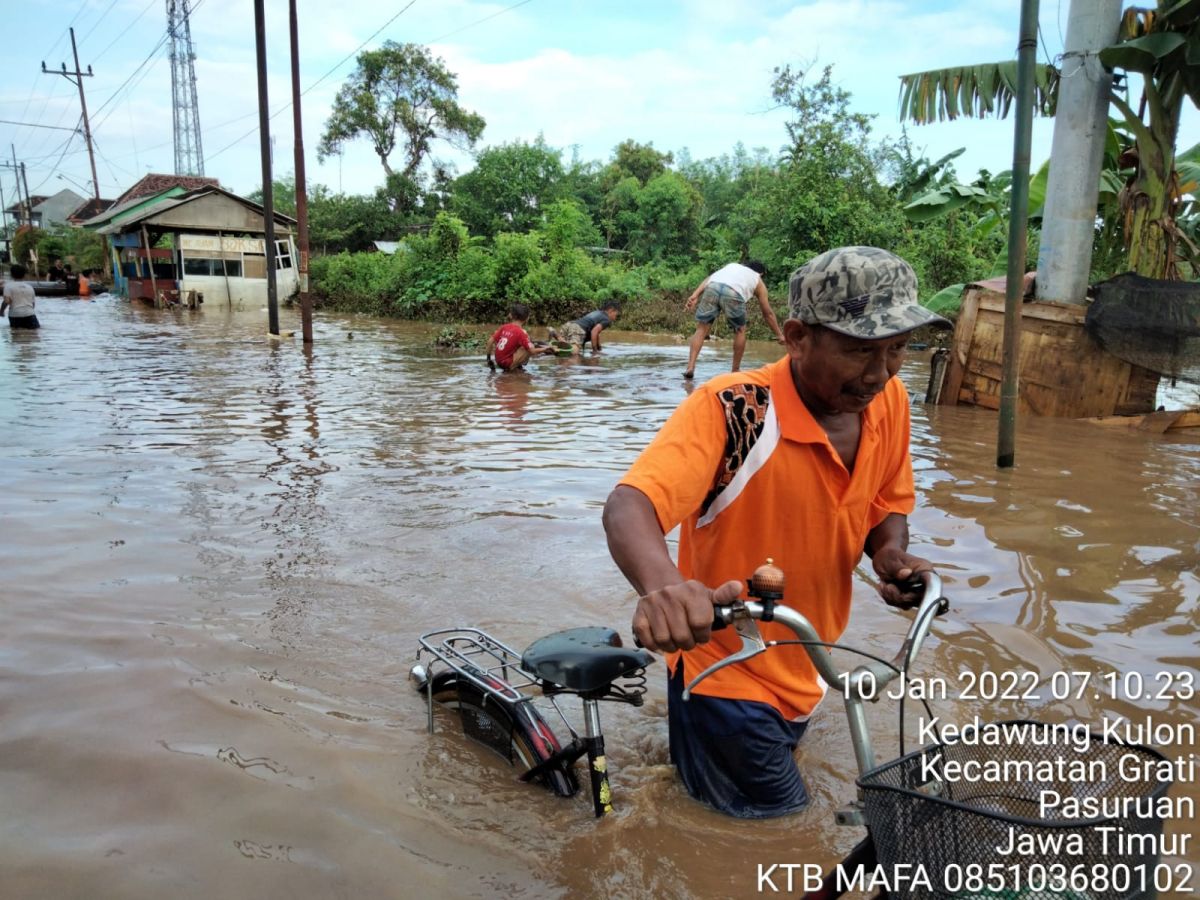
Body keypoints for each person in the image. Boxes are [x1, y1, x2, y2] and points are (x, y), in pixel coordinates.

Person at [602, 246, 949, 819]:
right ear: (796, 337)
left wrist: (890, 553)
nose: (879, 372)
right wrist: (663, 584)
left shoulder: (891, 400)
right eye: (860, 350)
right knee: (779, 831)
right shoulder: (734, 409)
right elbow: (629, 505)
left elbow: (886, 498)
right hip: (727, 671)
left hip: (812, 664)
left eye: (897, 349)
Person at [683, 260, 785, 380]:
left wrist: (695, 295)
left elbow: (710, 278)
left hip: (713, 287)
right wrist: (780, 335)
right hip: (733, 293)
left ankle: (690, 367)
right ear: (761, 273)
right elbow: (767, 313)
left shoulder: (731, 266)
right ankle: (735, 370)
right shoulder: (758, 280)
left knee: (701, 329)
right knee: (740, 330)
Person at [486, 302, 555, 371]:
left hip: (498, 361)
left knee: (525, 345)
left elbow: (490, 341)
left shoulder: (504, 327)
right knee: (528, 347)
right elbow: (532, 351)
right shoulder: (521, 333)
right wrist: (545, 349)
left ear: (511, 315)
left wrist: (488, 359)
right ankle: (513, 368)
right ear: (527, 318)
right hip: (507, 364)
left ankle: (515, 366)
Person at [550, 301, 621, 353]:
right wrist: (595, 351)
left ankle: (558, 337)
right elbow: (594, 332)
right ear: (611, 310)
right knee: (574, 352)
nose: (615, 318)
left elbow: (597, 334)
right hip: (578, 329)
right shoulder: (606, 319)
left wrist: (599, 348)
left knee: (563, 349)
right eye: (616, 315)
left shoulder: (597, 312)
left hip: (570, 325)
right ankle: (557, 336)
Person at [2, 264, 40, 329]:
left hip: (15, 315)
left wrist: (1, 311)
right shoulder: (30, 287)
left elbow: (6, 301)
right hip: (30, 314)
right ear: (24, 275)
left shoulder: (8, 286)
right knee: (33, 336)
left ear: (11, 274)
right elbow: (33, 304)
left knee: (16, 336)